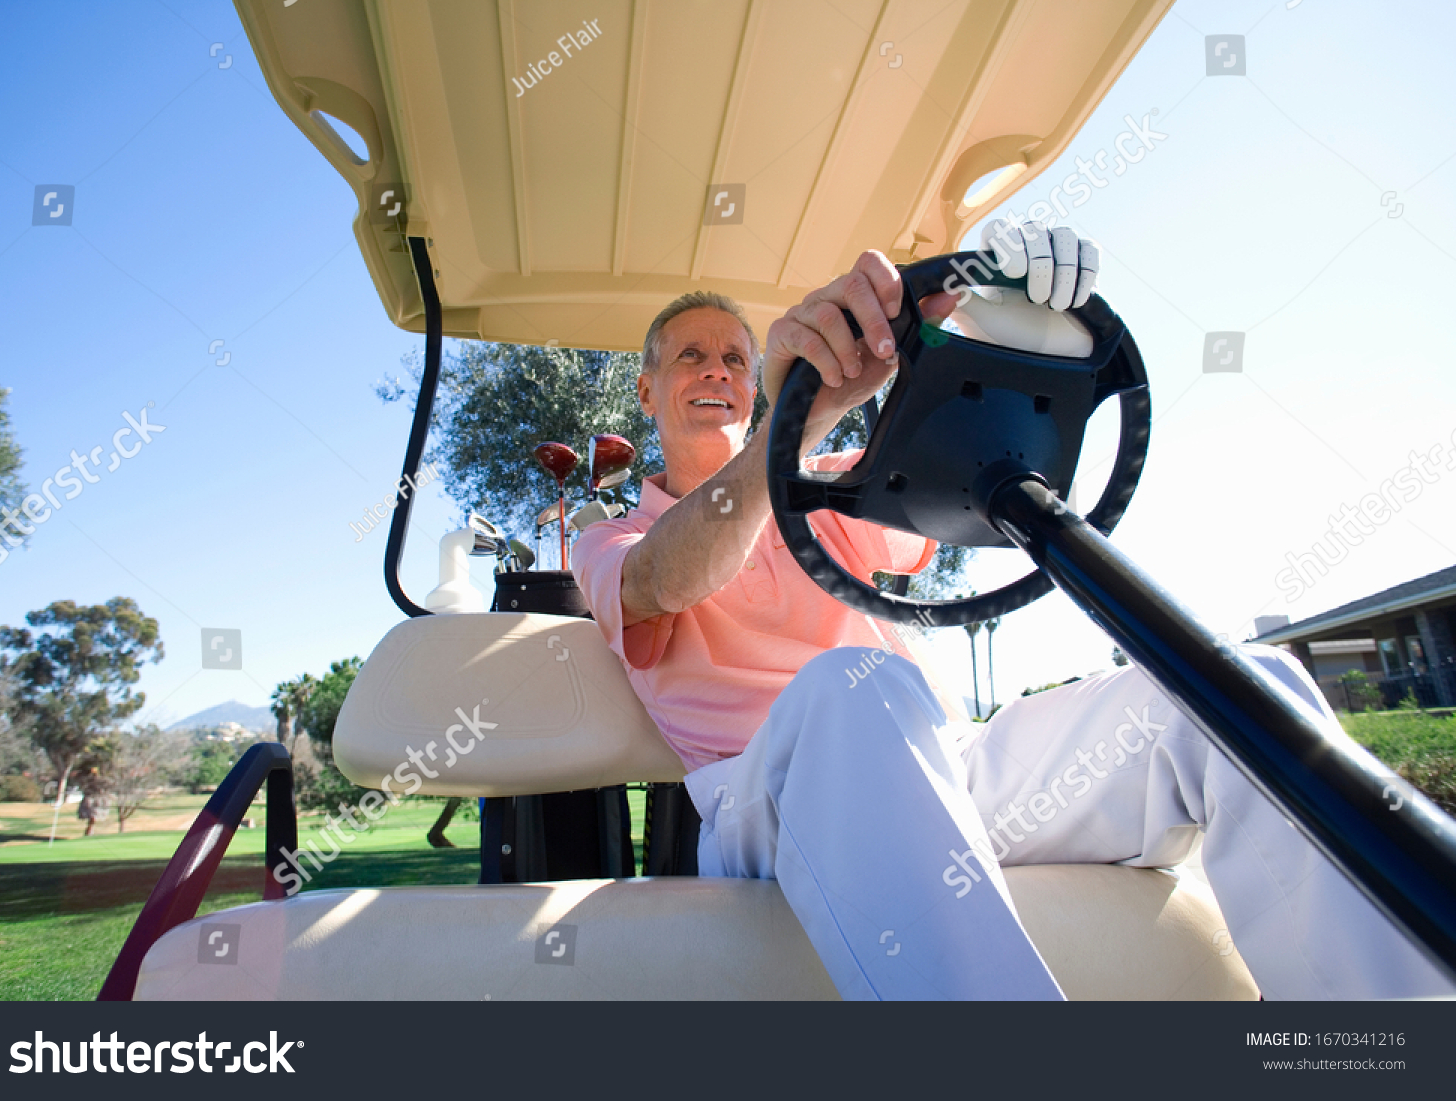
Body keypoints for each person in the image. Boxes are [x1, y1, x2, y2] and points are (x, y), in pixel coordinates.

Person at [571, 221, 1454, 1001]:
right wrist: (798, 426)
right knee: (855, 686)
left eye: (734, 356)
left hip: (939, 763)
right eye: (691, 356)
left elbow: (934, 478)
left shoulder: (826, 488)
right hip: (762, 798)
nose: (719, 370)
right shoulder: (610, 535)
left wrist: (1006, 316)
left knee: (1234, 690)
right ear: (646, 392)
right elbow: (665, 579)